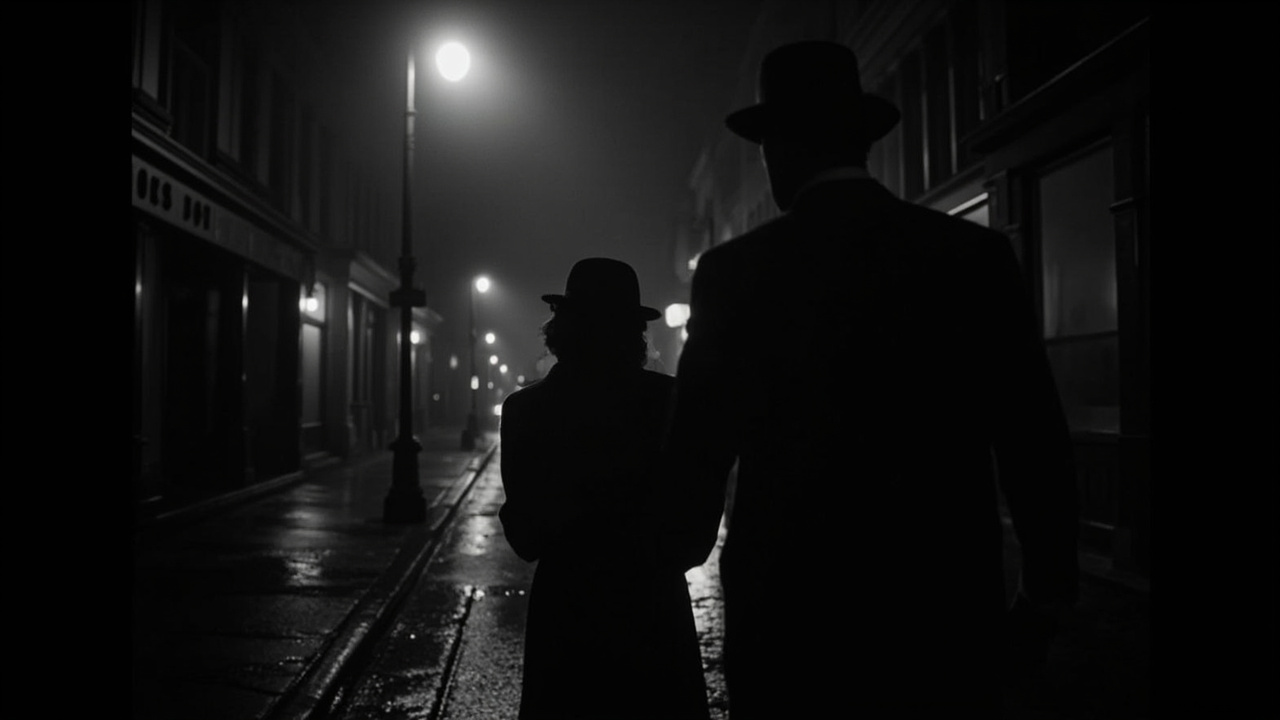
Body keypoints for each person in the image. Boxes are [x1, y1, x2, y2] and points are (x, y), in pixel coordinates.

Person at [660, 41, 1080, 717]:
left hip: (791, 619)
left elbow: (698, 453)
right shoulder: (971, 257)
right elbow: (1034, 437)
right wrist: (1045, 593)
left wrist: (668, 553)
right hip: (942, 610)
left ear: (777, 151)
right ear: (861, 142)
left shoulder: (737, 273)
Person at [498, 257, 710, 720]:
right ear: (633, 333)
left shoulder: (525, 410)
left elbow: (525, 537)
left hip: (566, 614)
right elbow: (696, 531)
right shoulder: (673, 402)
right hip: (654, 614)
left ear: (561, 327)